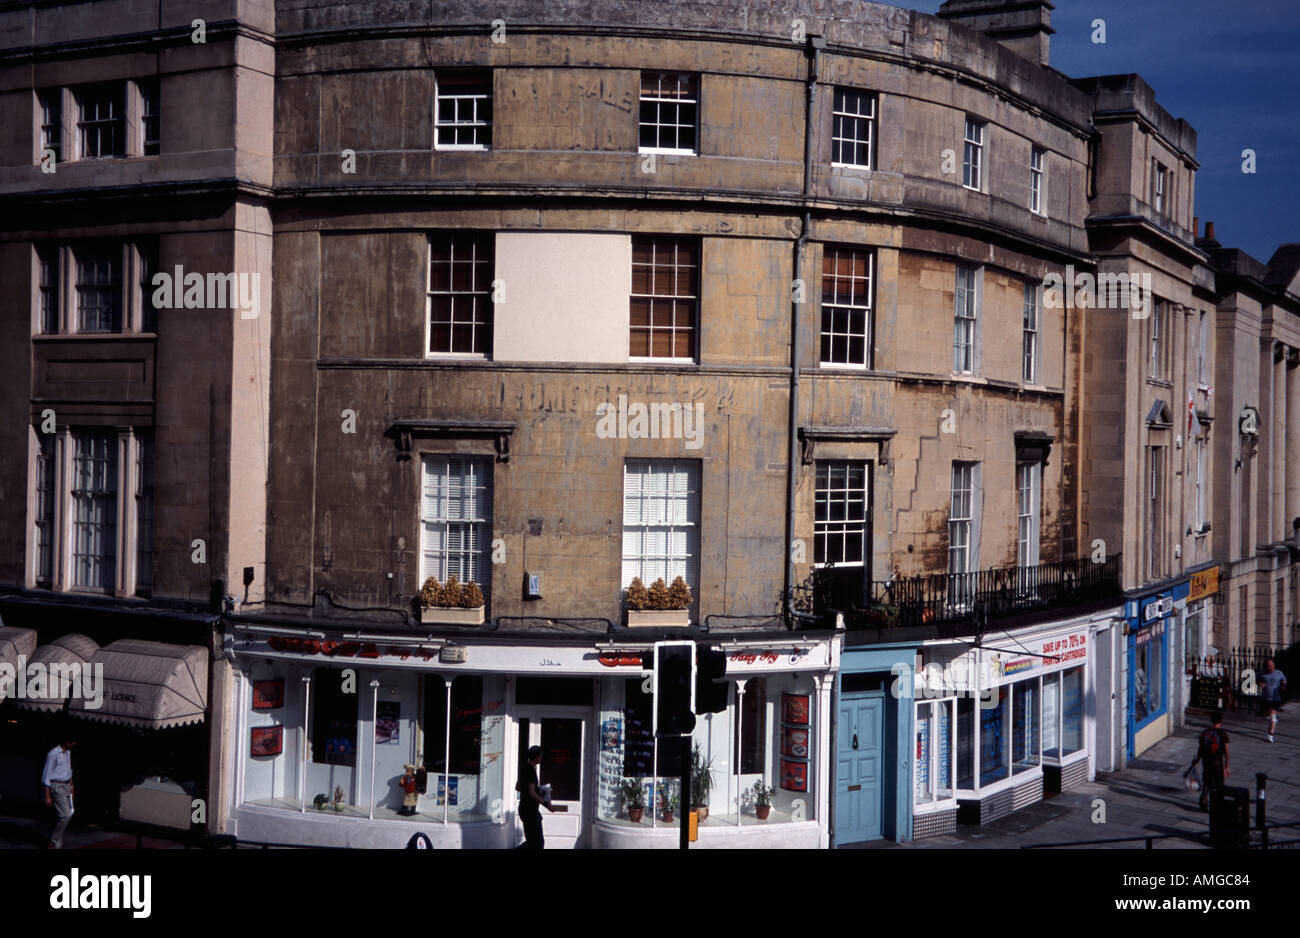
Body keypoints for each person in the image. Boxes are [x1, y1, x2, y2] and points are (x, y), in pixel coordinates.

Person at [1187, 710, 1230, 812]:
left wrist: (1196, 761)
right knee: (1218, 784)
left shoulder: (1205, 733)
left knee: (1207, 781)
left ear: (1211, 720)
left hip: (1206, 761)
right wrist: (1226, 766)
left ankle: (1203, 801)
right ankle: (1216, 804)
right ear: (1221, 721)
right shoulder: (1223, 734)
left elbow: (1200, 749)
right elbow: (1226, 752)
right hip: (1217, 763)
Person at [515, 745, 556, 849]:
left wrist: (538, 789)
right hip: (530, 811)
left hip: (524, 808)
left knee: (532, 842)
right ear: (537, 756)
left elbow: (518, 787)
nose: (542, 757)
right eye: (541, 755)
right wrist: (546, 804)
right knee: (537, 843)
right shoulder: (531, 770)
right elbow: (531, 793)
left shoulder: (524, 768)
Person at [42, 737, 76, 849]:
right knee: (66, 815)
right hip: (57, 786)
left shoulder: (68, 753)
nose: (75, 744)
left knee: (68, 813)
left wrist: (71, 786)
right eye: (73, 741)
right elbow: (47, 775)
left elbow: (69, 770)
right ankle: (53, 841)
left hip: (66, 786)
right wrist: (47, 795)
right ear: (68, 742)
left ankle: (57, 843)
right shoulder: (53, 754)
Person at [1260, 658, 1287, 743]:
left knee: (1272, 715)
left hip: (1276, 698)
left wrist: (1283, 684)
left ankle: (1270, 735)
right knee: (1268, 715)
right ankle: (1272, 720)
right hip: (1266, 698)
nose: (1270, 667)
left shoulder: (1279, 673)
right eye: (1268, 666)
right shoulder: (1262, 673)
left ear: (1274, 666)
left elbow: (1284, 680)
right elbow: (1256, 680)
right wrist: (1260, 684)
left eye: (1271, 666)